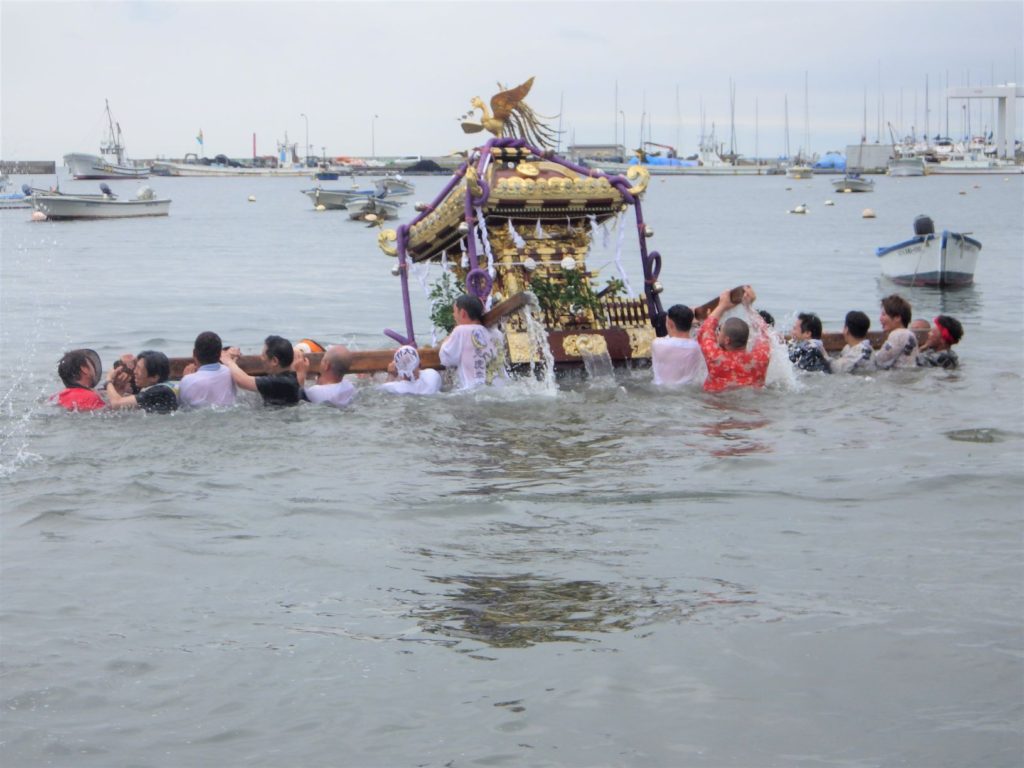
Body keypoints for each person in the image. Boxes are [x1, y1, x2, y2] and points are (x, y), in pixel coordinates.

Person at [697, 285, 772, 392]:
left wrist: (722, 306)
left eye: (720, 331)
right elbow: (765, 333)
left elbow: (705, 330)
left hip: (715, 405)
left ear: (727, 340)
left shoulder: (716, 358)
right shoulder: (760, 358)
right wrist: (749, 307)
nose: (717, 334)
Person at [438, 294, 507, 390]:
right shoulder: (497, 334)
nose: (453, 315)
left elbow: (446, 358)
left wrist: (446, 340)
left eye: (454, 311)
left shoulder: (461, 331)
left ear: (462, 313)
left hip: (473, 390)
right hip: (502, 387)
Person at [222, 334, 301, 406]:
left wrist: (226, 359)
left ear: (274, 361)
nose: (260, 357)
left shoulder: (280, 382)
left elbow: (243, 381)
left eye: (263, 355)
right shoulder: (291, 377)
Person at [105, 350, 178, 413]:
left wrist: (109, 380)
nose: (134, 372)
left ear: (154, 377)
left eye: (139, 369)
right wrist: (120, 390)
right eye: (136, 367)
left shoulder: (160, 392)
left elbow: (116, 404)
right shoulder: (163, 388)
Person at [179, 331, 237, 408]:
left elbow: (181, 405)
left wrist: (186, 379)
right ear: (220, 354)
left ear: (194, 353)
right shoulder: (231, 372)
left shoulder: (188, 381)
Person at [651, 304, 704, 386]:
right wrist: (693, 323)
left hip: (660, 389)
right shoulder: (697, 347)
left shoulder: (657, 343)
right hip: (687, 391)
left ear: (670, 323)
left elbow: (672, 339)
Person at [874, 294, 919, 370]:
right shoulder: (909, 334)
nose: (880, 319)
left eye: (884, 315)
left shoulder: (897, 334)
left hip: (898, 378)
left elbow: (880, 360)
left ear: (897, 317)